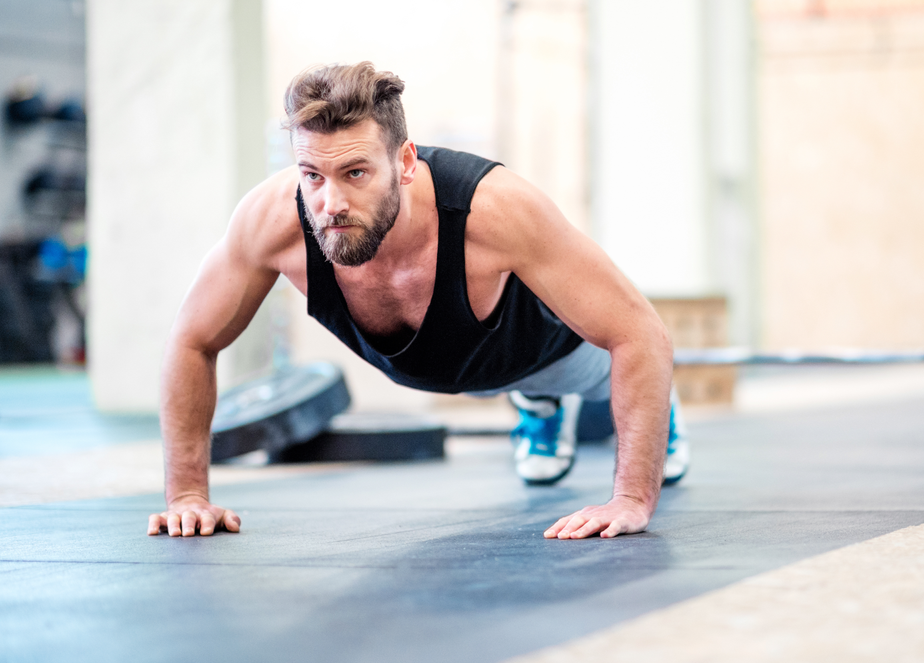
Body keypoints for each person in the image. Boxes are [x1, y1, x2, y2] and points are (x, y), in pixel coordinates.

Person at [146, 62, 689, 541]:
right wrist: (188, 495)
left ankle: (624, 406)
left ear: (404, 162)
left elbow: (640, 333)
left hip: (548, 353)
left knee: (600, 375)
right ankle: (538, 407)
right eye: (312, 174)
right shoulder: (271, 222)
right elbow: (193, 340)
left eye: (356, 172)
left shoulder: (495, 208)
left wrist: (631, 499)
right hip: (432, 367)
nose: (330, 202)